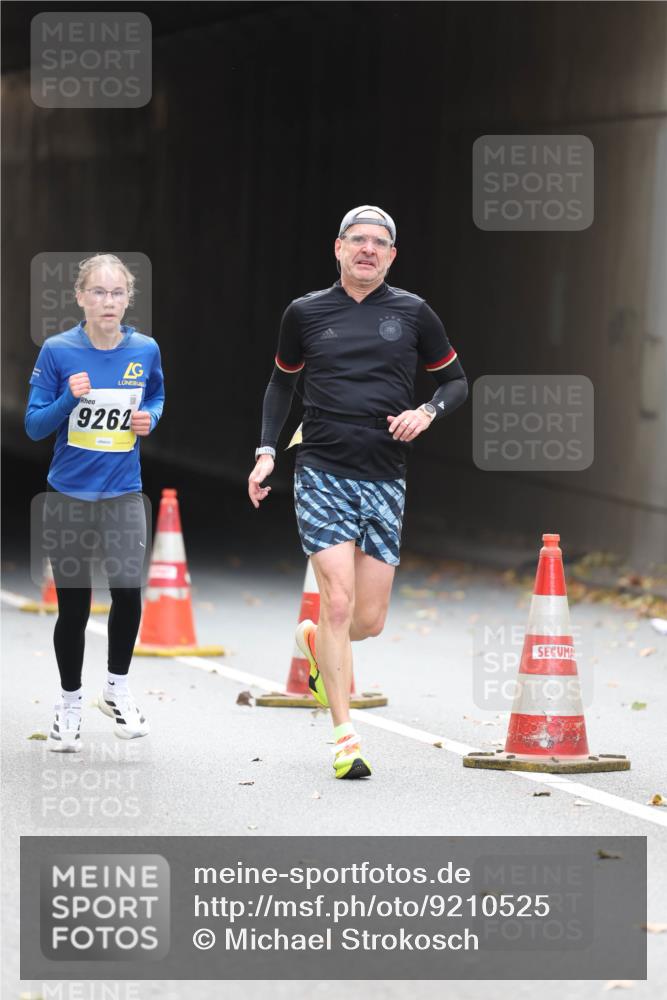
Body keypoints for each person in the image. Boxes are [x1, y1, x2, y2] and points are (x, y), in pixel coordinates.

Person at [248, 205, 468, 779]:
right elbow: (281, 382)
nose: (367, 249)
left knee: (368, 620)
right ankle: (345, 738)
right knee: (339, 603)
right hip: (320, 468)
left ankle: (314, 640)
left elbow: (455, 381)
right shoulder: (305, 313)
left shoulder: (415, 314)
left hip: (385, 474)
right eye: (357, 240)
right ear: (338, 248)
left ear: (391, 256)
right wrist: (267, 451)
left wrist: (426, 412)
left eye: (379, 243)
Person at [25, 253, 164, 751]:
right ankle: (69, 705)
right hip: (68, 495)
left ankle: (117, 688)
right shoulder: (59, 352)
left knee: (128, 590)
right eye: (98, 293)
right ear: (80, 297)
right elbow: (34, 425)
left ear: (129, 300)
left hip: (123, 491)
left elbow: (155, 399)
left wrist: (150, 417)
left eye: (117, 293)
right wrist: (68, 399)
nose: (108, 302)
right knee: (75, 606)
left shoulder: (145, 349)